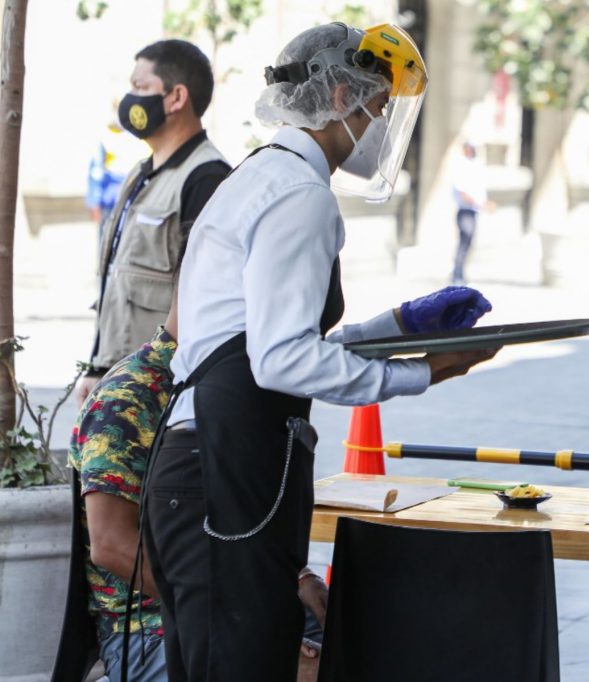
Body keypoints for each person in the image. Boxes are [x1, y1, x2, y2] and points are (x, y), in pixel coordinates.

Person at [142, 22, 496, 681]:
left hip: (212, 465)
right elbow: (280, 361)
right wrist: (415, 374)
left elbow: (263, 340)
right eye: (378, 109)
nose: (380, 128)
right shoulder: (300, 197)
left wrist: (398, 325)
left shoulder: (260, 176)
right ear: (340, 95)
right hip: (223, 469)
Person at [59, 277, 327, 682]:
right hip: (152, 625)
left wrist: (298, 578)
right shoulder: (130, 396)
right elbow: (112, 544)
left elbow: (233, 512)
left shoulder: (226, 383)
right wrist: (236, 620)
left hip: (236, 594)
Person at [73, 40, 230, 407]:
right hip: (118, 377)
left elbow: (199, 296)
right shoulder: (141, 173)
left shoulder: (206, 179)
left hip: (158, 389)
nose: (129, 99)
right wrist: (99, 368)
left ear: (176, 98)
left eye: (141, 88)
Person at [85, 104, 149, 252]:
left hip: (133, 201)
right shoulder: (106, 137)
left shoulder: (137, 137)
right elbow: (96, 172)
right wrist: (94, 201)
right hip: (110, 202)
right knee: (107, 245)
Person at [451, 142, 494, 285]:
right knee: (465, 239)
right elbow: (462, 192)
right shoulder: (460, 166)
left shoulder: (476, 165)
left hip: (473, 211)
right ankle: (457, 273)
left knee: (468, 242)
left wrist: (484, 204)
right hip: (465, 211)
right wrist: (479, 204)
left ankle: (459, 271)